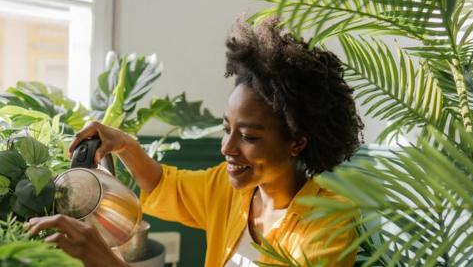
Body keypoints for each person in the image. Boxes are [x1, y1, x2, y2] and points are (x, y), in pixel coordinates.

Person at [27, 17, 364, 267]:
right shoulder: (231, 190)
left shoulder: (330, 221)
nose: (227, 148)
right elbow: (166, 185)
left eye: (248, 136)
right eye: (226, 128)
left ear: (297, 142)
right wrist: (125, 144)